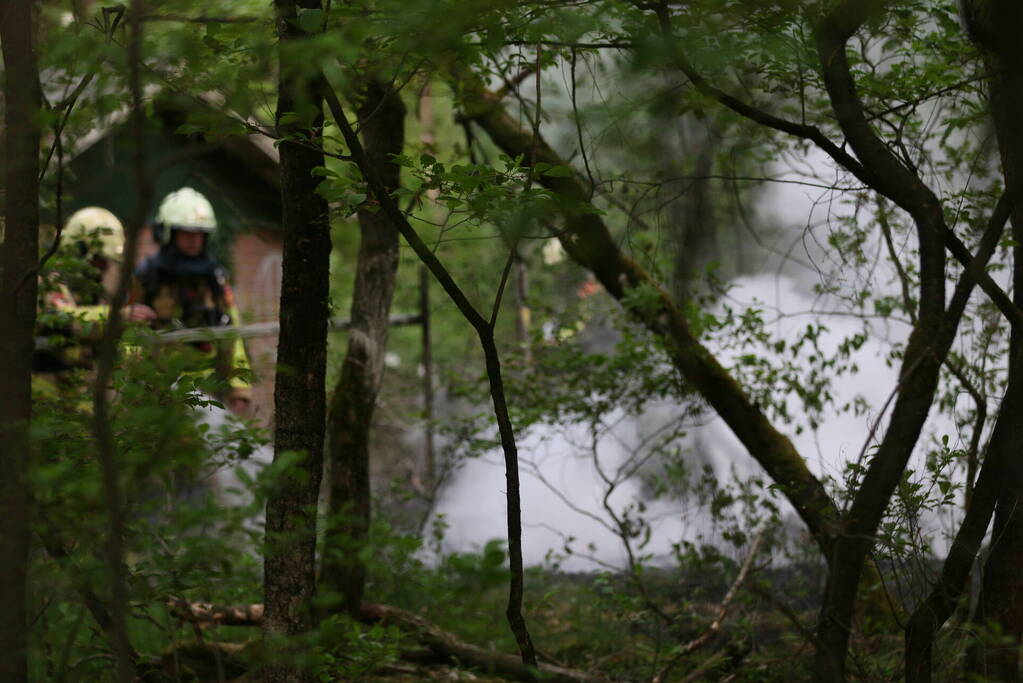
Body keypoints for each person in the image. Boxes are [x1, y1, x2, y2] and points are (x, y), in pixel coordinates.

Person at [133, 187, 252, 415]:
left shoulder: (215, 279)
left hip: (209, 394)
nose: (193, 240)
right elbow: (129, 336)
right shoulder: (147, 278)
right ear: (169, 233)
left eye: (199, 233)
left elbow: (232, 334)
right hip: (159, 392)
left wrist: (239, 389)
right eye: (186, 233)